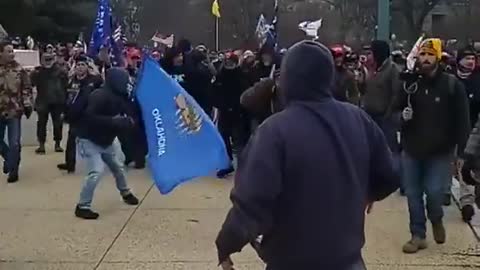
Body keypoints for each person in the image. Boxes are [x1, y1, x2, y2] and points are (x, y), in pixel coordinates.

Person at [215, 40, 399, 270]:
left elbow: (251, 204)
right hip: (348, 261)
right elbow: (389, 175)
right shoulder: (358, 119)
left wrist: (226, 244)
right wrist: (369, 192)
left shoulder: (274, 131)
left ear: (289, 79)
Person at [396, 39, 470, 253]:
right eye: (423, 54)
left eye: (430, 55)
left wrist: (462, 151)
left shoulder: (451, 84)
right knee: (412, 194)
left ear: (437, 57)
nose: (426, 59)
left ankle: (436, 219)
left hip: (440, 151)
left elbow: (462, 119)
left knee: (435, 193)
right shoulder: (410, 84)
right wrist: (402, 116)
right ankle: (417, 235)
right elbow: (394, 109)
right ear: (417, 57)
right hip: (412, 149)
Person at [74, 68, 139, 220]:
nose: (126, 83)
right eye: (123, 79)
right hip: (89, 140)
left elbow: (129, 115)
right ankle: (82, 206)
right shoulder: (99, 95)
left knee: (118, 167)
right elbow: (88, 118)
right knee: (96, 171)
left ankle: (125, 193)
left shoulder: (122, 97)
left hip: (107, 141)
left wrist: (128, 121)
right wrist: (113, 122)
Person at [57, 55, 103, 173]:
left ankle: (100, 163)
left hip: (90, 115)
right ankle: (70, 164)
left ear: (87, 67)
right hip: (75, 116)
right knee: (71, 140)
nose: (80, 67)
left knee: (95, 141)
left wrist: (94, 68)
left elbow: (101, 81)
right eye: (78, 65)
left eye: (83, 65)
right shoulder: (71, 81)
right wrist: (64, 112)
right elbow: (66, 98)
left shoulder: (93, 80)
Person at [453, 46, 480, 222]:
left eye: (473, 58)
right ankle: (466, 203)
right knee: (462, 166)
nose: (470, 61)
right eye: (466, 58)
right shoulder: (451, 80)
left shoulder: (478, 80)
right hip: (458, 131)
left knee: (473, 167)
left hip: (476, 128)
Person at [0, 41, 33, 183]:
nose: (12, 54)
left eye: (12, 51)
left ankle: (14, 171)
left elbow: (27, 87)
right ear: (1, 53)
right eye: (8, 51)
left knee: (15, 143)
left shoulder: (19, 69)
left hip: (14, 110)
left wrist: (26, 101)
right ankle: (9, 159)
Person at [212, 52, 249, 178]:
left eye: (231, 62)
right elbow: (215, 92)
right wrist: (219, 104)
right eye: (227, 62)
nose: (229, 65)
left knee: (239, 141)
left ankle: (243, 167)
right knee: (223, 139)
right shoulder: (220, 75)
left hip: (237, 112)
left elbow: (245, 93)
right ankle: (227, 164)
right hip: (224, 112)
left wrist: (238, 107)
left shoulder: (241, 75)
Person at [30, 52, 68, 154]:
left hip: (58, 101)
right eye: (45, 59)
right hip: (42, 101)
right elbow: (31, 84)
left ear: (53, 59)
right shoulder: (37, 72)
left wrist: (65, 101)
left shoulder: (61, 71)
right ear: (41, 60)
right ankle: (41, 145)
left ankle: (57, 144)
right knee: (41, 124)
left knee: (58, 124)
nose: (48, 61)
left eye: (50, 59)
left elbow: (66, 86)